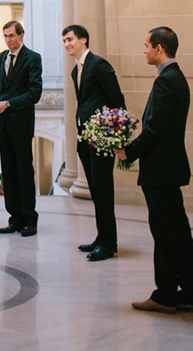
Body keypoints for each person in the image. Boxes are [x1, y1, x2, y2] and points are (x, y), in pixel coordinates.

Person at [116, 26, 193, 315]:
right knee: (172, 233)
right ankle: (185, 293)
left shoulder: (167, 81)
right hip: (166, 168)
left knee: (169, 233)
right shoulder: (173, 78)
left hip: (162, 170)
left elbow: (155, 130)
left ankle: (169, 295)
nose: (143, 51)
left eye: (146, 46)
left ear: (159, 49)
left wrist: (128, 152)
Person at [62, 24, 126, 261]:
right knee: (96, 192)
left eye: (70, 39)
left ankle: (109, 244)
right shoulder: (75, 70)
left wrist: (113, 136)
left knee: (103, 191)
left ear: (84, 40)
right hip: (85, 139)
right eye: (64, 41)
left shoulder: (99, 64)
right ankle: (102, 237)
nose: (67, 44)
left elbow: (117, 101)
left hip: (101, 140)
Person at [0, 20, 42, 237]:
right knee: (8, 172)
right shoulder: (1, 58)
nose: (8, 40)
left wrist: (7, 104)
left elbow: (34, 93)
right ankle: (14, 218)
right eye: (5, 36)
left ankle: (29, 220)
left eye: (12, 36)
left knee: (24, 172)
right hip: (3, 125)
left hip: (22, 124)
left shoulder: (33, 58)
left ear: (21, 35)